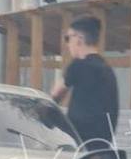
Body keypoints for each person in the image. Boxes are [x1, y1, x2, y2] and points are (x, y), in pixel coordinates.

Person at [51, 15, 119, 146]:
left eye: (68, 38)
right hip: (102, 146)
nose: (67, 44)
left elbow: (55, 95)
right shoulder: (107, 70)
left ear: (79, 39)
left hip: (78, 144)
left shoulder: (78, 65)